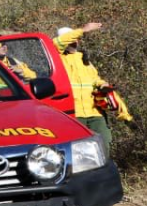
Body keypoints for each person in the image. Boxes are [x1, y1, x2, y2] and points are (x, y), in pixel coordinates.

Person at [54, 22, 130, 154]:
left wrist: (102, 84)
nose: (74, 42)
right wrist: (83, 29)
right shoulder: (57, 59)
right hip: (74, 115)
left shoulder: (84, 59)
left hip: (95, 112)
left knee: (104, 145)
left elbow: (94, 78)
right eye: (71, 39)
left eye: (76, 40)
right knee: (79, 151)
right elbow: (56, 43)